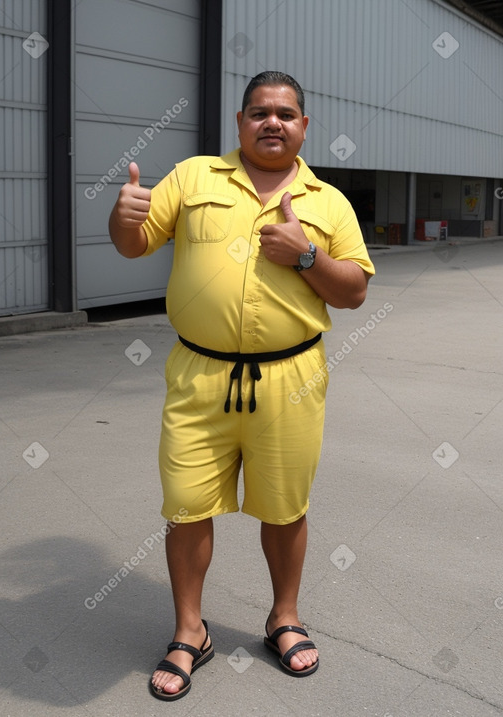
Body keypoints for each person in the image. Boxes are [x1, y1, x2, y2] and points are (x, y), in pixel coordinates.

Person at [109, 70, 375, 701]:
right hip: (199, 376)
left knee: (284, 508)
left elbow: (357, 292)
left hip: (292, 380)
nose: (272, 122)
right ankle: (189, 630)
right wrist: (123, 218)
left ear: (304, 126)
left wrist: (306, 254)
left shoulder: (328, 201)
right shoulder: (193, 177)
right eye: (259, 112)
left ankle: (284, 617)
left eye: (285, 113)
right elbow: (133, 246)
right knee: (186, 505)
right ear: (240, 121)